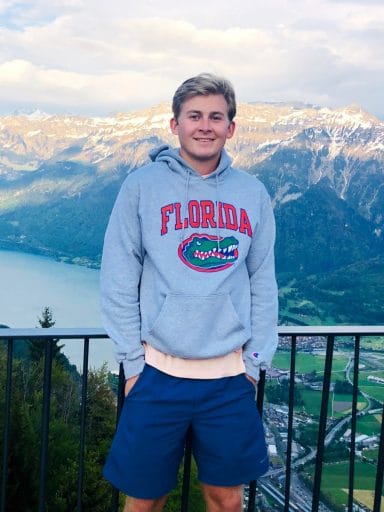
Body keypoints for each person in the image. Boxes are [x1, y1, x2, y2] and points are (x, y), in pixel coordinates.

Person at [100, 73, 278, 512]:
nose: (205, 125)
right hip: (157, 375)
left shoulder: (252, 194)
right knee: (144, 501)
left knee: (226, 501)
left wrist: (254, 363)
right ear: (174, 124)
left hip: (229, 379)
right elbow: (118, 277)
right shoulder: (141, 188)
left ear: (230, 128)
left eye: (216, 116)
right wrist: (133, 364)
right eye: (194, 115)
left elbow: (262, 282)